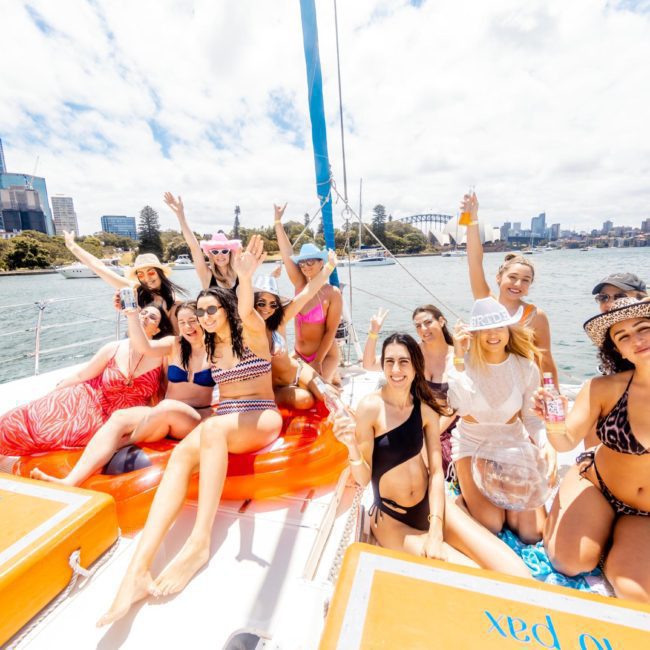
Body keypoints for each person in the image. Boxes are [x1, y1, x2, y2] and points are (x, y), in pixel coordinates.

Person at [98, 235, 283, 626]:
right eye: (201, 312)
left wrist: (245, 278)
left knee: (213, 432)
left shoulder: (249, 330)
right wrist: (131, 306)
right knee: (182, 455)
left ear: (227, 308)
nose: (205, 316)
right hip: (228, 413)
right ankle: (137, 572)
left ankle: (199, 544)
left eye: (212, 309)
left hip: (261, 413)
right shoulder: (208, 343)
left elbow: (246, 306)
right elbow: (149, 341)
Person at [332, 332, 530, 576]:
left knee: (515, 571)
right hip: (392, 520)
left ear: (416, 366)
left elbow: (436, 472)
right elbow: (363, 479)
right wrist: (351, 445)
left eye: (403, 361)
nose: (396, 369)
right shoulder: (371, 408)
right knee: (474, 575)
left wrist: (436, 529)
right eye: (389, 361)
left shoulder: (425, 409)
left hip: (433, 507)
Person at [538, 298, 650, 603]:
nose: (636, 340)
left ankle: (611, 540)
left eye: (643, 329)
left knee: (636, 594)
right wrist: (554, 422)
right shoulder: (603, 387)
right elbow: (564, 441)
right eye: (623, 336)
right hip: (597, 484)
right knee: (570, 563)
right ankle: (584, 524)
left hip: (643, 514)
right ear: (617, 349)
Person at [31, 302, 214, 487]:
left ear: (203, 320)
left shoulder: (216, 349)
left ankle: (121, 444)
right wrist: (132, 314)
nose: (187, 327)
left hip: (194, 416)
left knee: (166, 407)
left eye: (192, 320)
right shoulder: (174, 344)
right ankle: (70, 481)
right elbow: (144, 347)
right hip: (163, 413)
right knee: (120, 417)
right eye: (182, 322)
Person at [447, 297, 555, 544]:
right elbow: (458, 406)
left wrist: (545, 444)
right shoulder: (462, 365)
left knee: (531, 532)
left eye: (498, 327)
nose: (492, 334)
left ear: (509, 330)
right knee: (491, 524)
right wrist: (459, 357)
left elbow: (532, 419)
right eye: (484, 329)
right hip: (472, 445)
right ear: (474, 334)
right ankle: (454, 502)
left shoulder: (526, 368)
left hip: (512, 445)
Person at [0, 305, 172, 457]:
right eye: (143, 313)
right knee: (23, 419)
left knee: (69, 435)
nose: (145, 317)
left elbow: (163, 393)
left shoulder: (161, 357)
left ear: (157, 330)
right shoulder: (113, 348)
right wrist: (55, 391)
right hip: (90, 400)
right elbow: (82, 376)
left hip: (119, 417)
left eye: (152, 317)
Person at [462, 193, 559, 387]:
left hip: (521, 388)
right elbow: (474, 261)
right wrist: (471, 219)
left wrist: (553, 396)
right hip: (485, 383)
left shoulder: (536, 315)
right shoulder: (486, 302)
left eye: (525, 280)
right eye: (512, 278)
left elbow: (545, 360)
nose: (517, 285)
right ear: (499, 278)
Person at [362, 304, 457, 475]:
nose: (423, 329)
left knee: (423, 462)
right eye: (418, 326)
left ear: (441, 321)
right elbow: (369, 364)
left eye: (428, 323)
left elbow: (456, 409)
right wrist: (374, 332)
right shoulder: (414, 353)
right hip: (414, 422)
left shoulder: (457, 356)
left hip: (446, 427)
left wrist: (430, 434)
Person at [252, 251, 338, 409]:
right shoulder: (246, 328)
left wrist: (329, 266)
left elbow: (307, 292)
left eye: (273, 304)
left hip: (298, 370)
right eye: (261, 303)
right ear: (253, 302)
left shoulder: (279, 320)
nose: (267, 309)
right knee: (305, 400)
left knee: (328, 395)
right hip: (274, 388)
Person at [273, 203, 342, 382]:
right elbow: (287, 254)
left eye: (310, 262)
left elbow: (330, 331)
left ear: (322, 263)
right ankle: (335, 377)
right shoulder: (300, 284)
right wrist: (277, 222)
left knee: (317, 396)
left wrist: (318, 361)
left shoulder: (333, 293)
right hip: (299, 354)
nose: (305, 266)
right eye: (302, 263)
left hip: (325, 356)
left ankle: (334, 375)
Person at [63, 231, 186, 330]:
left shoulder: (174, 301)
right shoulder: (136, 289)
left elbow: (176, 338)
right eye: (141, 275)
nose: (147, 279)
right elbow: (100, 268)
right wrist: (72, 247)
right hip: (135, 341)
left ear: (160, 274)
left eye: (151, 273)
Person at [164, 192, 241, 292]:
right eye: (215, 251)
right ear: (211, 255)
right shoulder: (207, 275)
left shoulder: (240, 275)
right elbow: (194, 246)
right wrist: (180, 215)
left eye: (224, 251)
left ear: (230, 253)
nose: (220, 255)